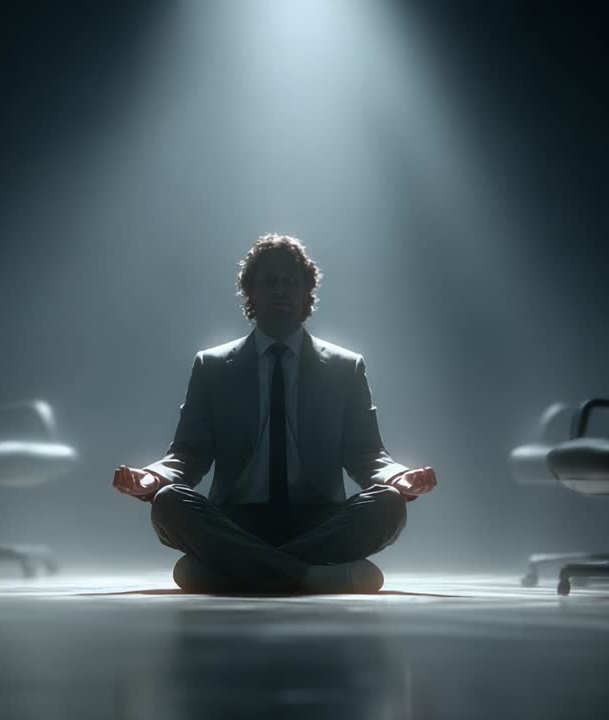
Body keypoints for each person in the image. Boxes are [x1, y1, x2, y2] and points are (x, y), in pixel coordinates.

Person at [112, 234, 437, 593]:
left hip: (319, 520)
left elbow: (366, 453)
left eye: (291, 281)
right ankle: (308, 575)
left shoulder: (346, 368)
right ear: (250, 292)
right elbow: (188, 453)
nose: (281, 290)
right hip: (235, 520)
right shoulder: (213, 366)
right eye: (269, 281)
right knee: (168, 503)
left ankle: (232, 571)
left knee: (388, 504)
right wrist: (152, 477)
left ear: (306, 292)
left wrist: (399, 476)